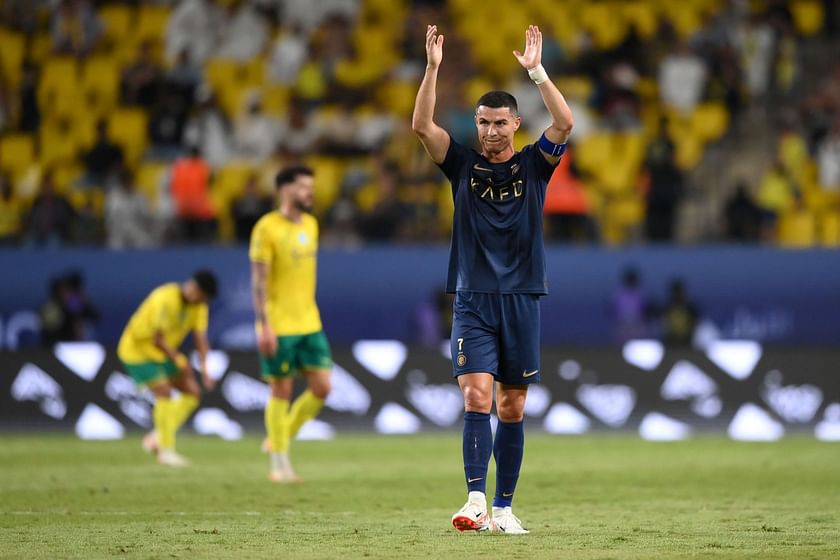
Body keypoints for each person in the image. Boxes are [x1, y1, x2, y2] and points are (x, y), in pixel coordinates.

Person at [412, 25, 573, 534]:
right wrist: (433, 70)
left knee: (512, 404)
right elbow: (421, 126)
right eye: (483, 123)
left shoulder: (534, 165)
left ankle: (503, 508)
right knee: (476, 396)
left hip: (523, 297)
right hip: (473, 299)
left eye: (500, 123)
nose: (490, 132)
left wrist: (537, 72)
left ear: (517, 123)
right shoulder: (461, 165)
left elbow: (565, 122)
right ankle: (476, 499)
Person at [250, 165, 332, 483]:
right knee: (281, 391)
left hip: (310, 322)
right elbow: (258, 282)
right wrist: (264, 325)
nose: (309, 192)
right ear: (284, 189)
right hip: (279, 326)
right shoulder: (266, 228)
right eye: (302, 187)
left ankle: (278, 436)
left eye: (311, 186)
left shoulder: (311, 225)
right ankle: (279, 464)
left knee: (322, 388)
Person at [116, 270, 218, 467]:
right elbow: (157, 339)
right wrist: (180, 361)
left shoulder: (199, 307)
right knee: (164, 391)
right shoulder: (164, 297)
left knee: (192, 392)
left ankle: (156, 437)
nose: (202, 302)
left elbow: (200, 339)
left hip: (162, 353)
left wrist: (206, 370)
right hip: (137, 350)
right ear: (194, 288)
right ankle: (166, 451)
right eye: (202, 297)